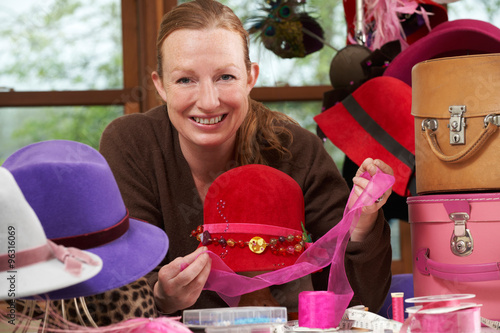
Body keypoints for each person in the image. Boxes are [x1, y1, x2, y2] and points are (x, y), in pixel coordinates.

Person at [99, 0, 393, 317]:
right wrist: (160, 296)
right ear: (161, 86)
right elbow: (115, 290)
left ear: (251, 78)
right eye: (185, 80)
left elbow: (361, 303)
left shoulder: (297, 150)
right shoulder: (132, 144)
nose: (209, 101)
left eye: (225, 77)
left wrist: (361, 227)